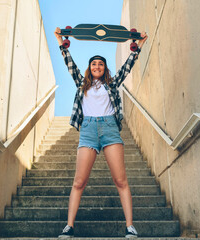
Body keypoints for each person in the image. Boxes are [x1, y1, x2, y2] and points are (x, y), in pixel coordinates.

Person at [54, 27, 147, 239]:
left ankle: (130, 226)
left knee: (120, 180)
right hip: (87, 130)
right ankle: (69, 226)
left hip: (109, 129)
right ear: (90, 68)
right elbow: (69, 63)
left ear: (105, 69)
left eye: (101, 64)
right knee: (79, 182)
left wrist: (138, 45)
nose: (97, 66)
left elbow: (128, 66)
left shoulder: (112, 84)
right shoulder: (81, 83)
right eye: (94, 64)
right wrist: (61, 40)